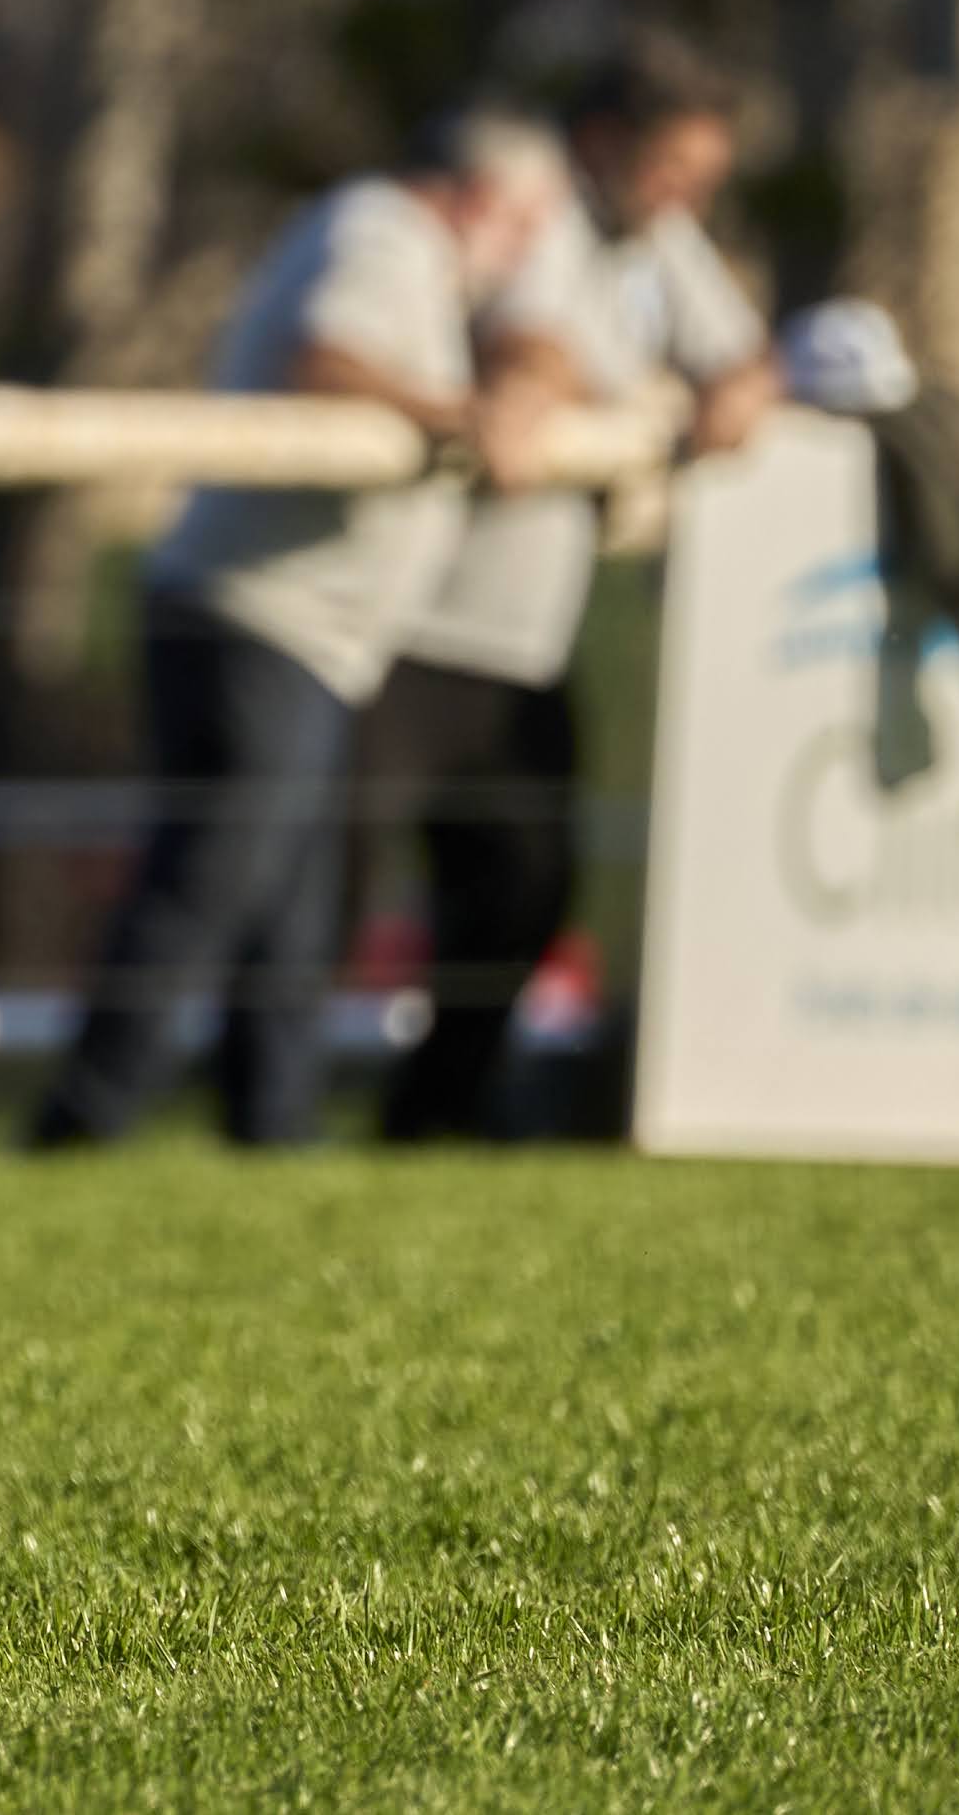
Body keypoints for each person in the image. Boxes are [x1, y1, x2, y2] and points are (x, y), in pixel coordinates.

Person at [32, 107, 571, 1154]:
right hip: (256, 616)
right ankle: (82, 1125)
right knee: (214, 882)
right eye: (524, 225)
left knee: (290, 907)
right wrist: (463, 415)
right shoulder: (387, 231)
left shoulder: (396, 244)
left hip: (299, 630)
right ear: (476, 196)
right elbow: (325, 357)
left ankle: (272, 1136)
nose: (526, 255)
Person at [361, 45, 771, 1143]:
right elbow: (527, 348)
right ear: (604, 146)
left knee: (528, 894)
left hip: (523, 640)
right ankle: (259, 1126)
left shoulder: (657, 234)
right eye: (674, 168)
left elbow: (740, 357)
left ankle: (430, 1125)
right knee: (329, 886)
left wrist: (726, 387)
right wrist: (638, 393)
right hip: (412, 622)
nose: (689, 198)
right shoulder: (543, 203)